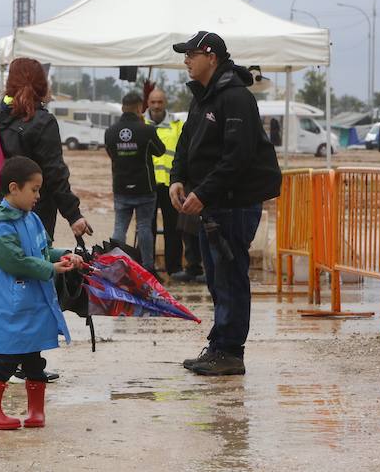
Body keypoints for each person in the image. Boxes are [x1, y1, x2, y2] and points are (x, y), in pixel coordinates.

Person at [169, 31, 281, 377]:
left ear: (211, 57)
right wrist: (177, 177)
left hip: (234, 203)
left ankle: (232, 351)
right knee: (217, 277)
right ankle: (220, 345)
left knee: (230, 276)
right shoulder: (202, 97)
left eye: (191, 54)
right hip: (212, 203)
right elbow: (187, 143)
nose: (186, 61)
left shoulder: (235, 98)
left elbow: (238, 157)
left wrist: (203, 192)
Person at [0, 156, 83, 430]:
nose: (38, 195)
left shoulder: (31, 219)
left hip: (31, 305)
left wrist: (67, 256)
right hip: (9, 307)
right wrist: (52, 268)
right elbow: (15, 261)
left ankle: (37, 412)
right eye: (34, 189)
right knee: (3, 361)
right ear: (14, 188)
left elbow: (44, 251)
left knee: (34, 361)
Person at [0, 58, 92, 242]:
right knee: (31, 268)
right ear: (42, 84)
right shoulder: (42, 121)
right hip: (28, 219)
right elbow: (54, 172)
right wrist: (73, 215)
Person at [143, 89, 204, 282]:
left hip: (172, 185)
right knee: (147, 228)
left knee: (174, 228)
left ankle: (174, 267)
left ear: (165, 102)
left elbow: (184, 152)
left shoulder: (177, 125)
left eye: (160, 102)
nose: (156, 106)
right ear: (148, 102)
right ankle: (147, 266)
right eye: (153, 102)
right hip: (148, 185)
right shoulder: (140, 124)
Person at [105, 92, 164, 273]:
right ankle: (148, 268)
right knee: (144, 226)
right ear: (140, 108)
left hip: (121, 187)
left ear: (123, 108)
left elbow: (111, 154)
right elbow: (160, 151)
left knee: (119, 227)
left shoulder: (110, 132)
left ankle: (116, 267)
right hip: (144, 187)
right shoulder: (147, 130)